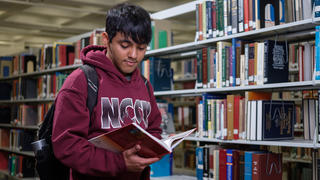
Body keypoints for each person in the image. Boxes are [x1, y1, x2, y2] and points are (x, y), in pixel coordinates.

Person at [51, 3, 163, 180]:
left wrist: (154, 147)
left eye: (141, 48)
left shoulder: (144, 84)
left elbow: (154, 129)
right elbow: (67, 145)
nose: (134, 54)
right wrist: (120, 162)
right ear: (106, 39)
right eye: (125, 45)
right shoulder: (81, 81)